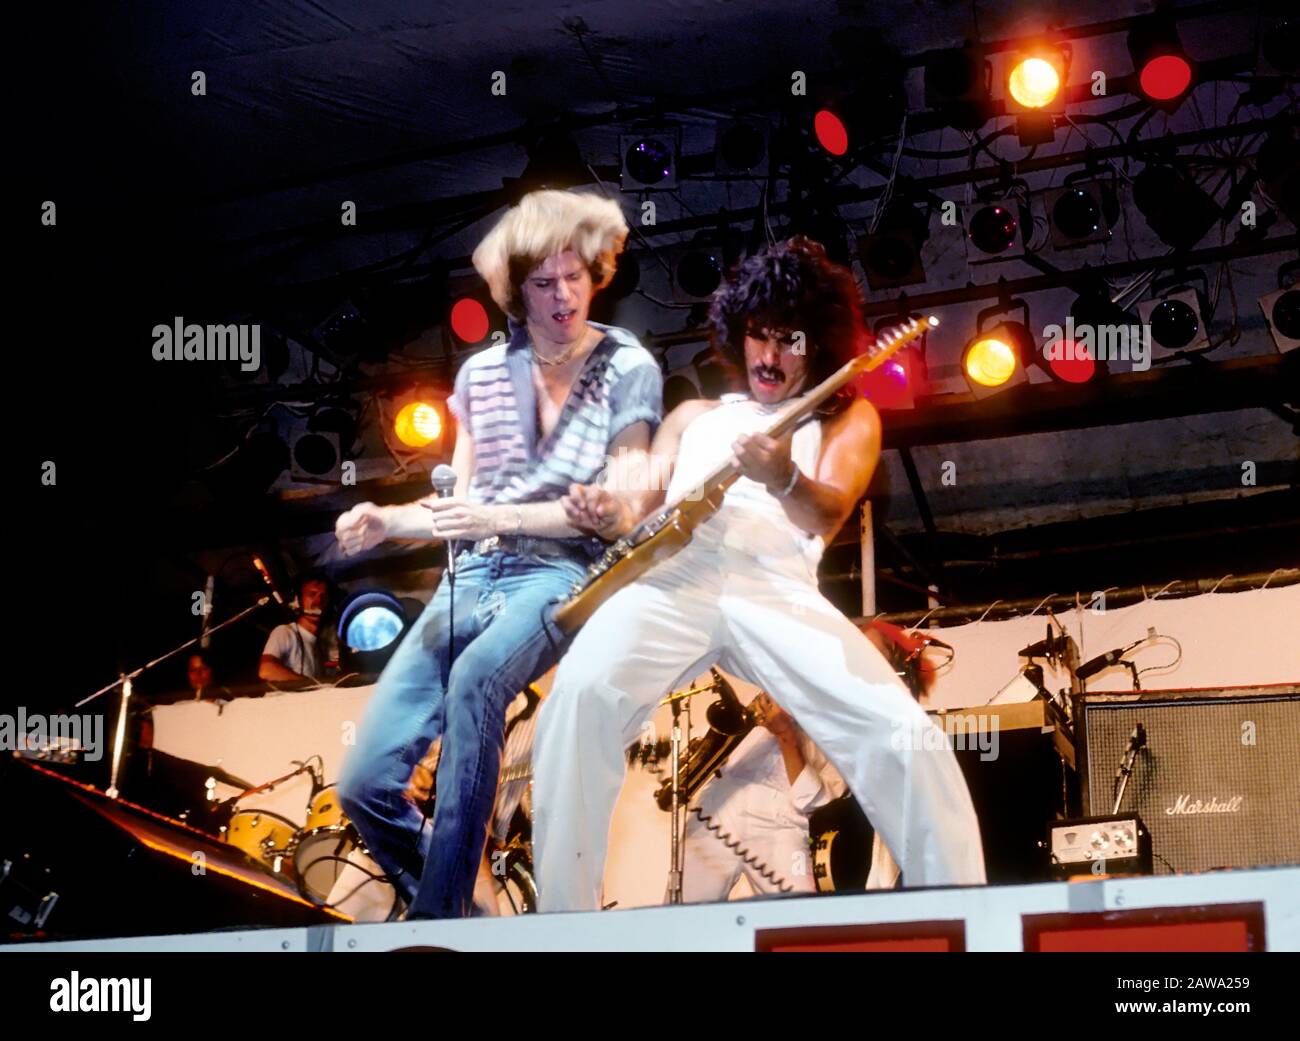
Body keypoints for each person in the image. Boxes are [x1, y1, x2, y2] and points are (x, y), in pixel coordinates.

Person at [531, 236, 986, 912]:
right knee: (578, 700)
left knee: (900, 730)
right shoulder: (694, 416)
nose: (769, 357)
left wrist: (784, 474)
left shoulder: (847, 416)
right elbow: (640, 508)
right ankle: (561, 925)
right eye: (757, 336)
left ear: (819, 344)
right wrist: (607, 509)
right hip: (671, 584)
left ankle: (961, 910)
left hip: (773, 587)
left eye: (789, 340)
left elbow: (825, 511)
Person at [334, 188, 663, 919]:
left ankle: (440, 922)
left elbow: (629, 500)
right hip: (470, 572)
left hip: (557, 574)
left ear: (596, 273)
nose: (562, 295)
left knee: (480, 681)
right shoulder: (481, 375)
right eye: (544, 283)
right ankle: (473, 913)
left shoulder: (626, 363)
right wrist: (386, 519)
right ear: (517, 293)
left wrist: (607, 505)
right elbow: (460, 506)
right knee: (362, 781)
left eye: (575, 276)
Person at [258, 575, 338, 682]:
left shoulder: (322, 646)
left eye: (324, 596)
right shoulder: (285, 632)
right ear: (297, 600)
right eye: (312, 594)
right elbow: (267, 670)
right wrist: (311, 685)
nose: (318, 601)